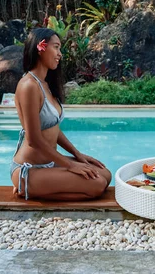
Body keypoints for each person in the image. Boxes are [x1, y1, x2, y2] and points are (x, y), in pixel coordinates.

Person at [11, 28, 111, 200]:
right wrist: (70, 165)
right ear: (40, 48)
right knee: (97, 185)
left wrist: (78, 155)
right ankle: (27, 188)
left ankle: (39, 188)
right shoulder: (28, 86)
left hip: (49, 162)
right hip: (30, 168)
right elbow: (33, 140)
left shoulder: (45, 84)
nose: (60, 54)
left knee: (105, 174)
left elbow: (53, 129)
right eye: (56, 47)